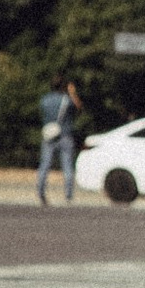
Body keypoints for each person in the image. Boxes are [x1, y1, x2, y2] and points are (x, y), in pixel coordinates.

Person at [37, 74, 82, 206]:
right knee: (67, 166)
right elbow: (79, 108)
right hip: (65, 135)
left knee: (44, 165)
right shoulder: (67, 100)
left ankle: (41, 193)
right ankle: (68, 196)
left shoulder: (44, 100)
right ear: (64, 86)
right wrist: (72, 93)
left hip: (49, 135)